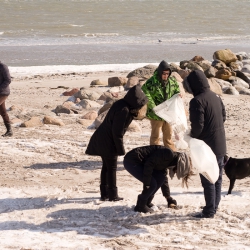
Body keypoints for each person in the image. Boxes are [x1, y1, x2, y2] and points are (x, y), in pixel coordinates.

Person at [85, 85, 148, 202]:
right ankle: (113, 195)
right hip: (109, 140)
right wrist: (120, 149)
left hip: (102, 137)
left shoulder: (121, 104)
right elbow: (117, 131)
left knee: (106, 167)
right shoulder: (124, 110)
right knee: (111, 168)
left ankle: (104, 194)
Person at [183, 69, 226, 219]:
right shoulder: (216, 96)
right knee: (217, 177)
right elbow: (224, 117)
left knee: (208, 177)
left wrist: (189, 135)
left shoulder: (197, 101)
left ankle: (209, 211)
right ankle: (214, 206)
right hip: (220, 143)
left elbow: (198, 128)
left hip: (207, 147)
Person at [123, 145, 193, 213]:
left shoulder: (170, 161)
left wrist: (168, 198)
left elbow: (164, 178)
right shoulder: (167, 154)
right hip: (132, 161)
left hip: (142, 163)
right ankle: (140, 205)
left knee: (160, 178)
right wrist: (147, 185)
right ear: (181, 165)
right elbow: (148, 165)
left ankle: (147, 202)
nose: (177, 172)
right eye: (179, 171)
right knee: (152, 184)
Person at [141, 60, 180, 151]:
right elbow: (146, 94)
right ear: (160, 72)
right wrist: (154, 107)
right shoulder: (151, 82)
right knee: (156, 136)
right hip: (156, 114)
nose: (166, 76)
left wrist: (178, 94)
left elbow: (176, 90)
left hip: (168, 113)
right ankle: (154, 154)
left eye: (167, 73)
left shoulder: (172, 81)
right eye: (164, 73)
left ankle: (171, 154)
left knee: (168, 136)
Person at [0, 60, 12, 137]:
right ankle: (9, 131)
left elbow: (8, 80)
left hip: (3, 92)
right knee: (3, 111)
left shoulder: (3, 66)